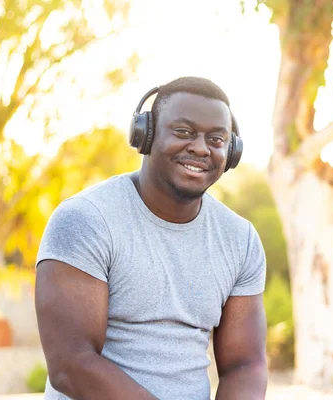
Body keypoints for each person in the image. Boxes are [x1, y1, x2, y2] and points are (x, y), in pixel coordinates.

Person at [34, 77, 268, 399]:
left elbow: (246, 365)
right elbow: (71, 364)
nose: (200, 148)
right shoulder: (85, 220)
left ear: (231, 152)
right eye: (184, 132)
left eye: (216, 139)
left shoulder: (240, 240)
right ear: (146, 135)